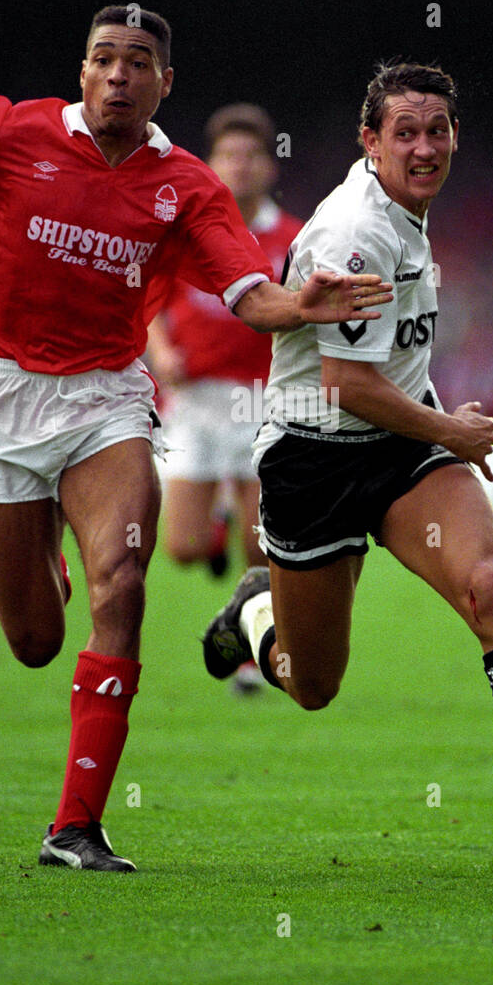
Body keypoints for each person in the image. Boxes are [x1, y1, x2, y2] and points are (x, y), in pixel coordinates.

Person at [0, 4, 392, 872]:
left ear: (164, 82)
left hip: (109, 399)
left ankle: (76, 827)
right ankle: (46, 551)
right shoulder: (7, 131)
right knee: (35, 641)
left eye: (138, 62)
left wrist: (301, 305)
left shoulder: (183, 186)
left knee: (124, 585)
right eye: (104, 59)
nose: (119, 74)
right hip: (4, 395)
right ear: (81, 72)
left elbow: (250, 292)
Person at [202, 61, 493, 859]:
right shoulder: (354, 231)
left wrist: (433, 429)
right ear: (371, 141)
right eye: (405, 133)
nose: (424, 147)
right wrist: (449, 429)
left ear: (454, 136)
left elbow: (387, 370)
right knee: (311, 684)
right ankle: (253, 613)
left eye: (437, 131)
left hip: (400, 452)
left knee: (486, 585)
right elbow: (346, 384)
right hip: (313, 457)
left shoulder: (409, 214)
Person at [146, 103, 302, 692]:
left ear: (269, 166)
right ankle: (213, 525)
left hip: (265, 402)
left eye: (251, 156)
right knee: (181, 549)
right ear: (210, 165)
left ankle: (249, 656)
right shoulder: (186, 228)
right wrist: (159, 349)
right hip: (194, 404)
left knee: (261, 548)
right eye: (228, 156)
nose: (239, 166)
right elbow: (151, 300)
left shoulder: (293, 237)